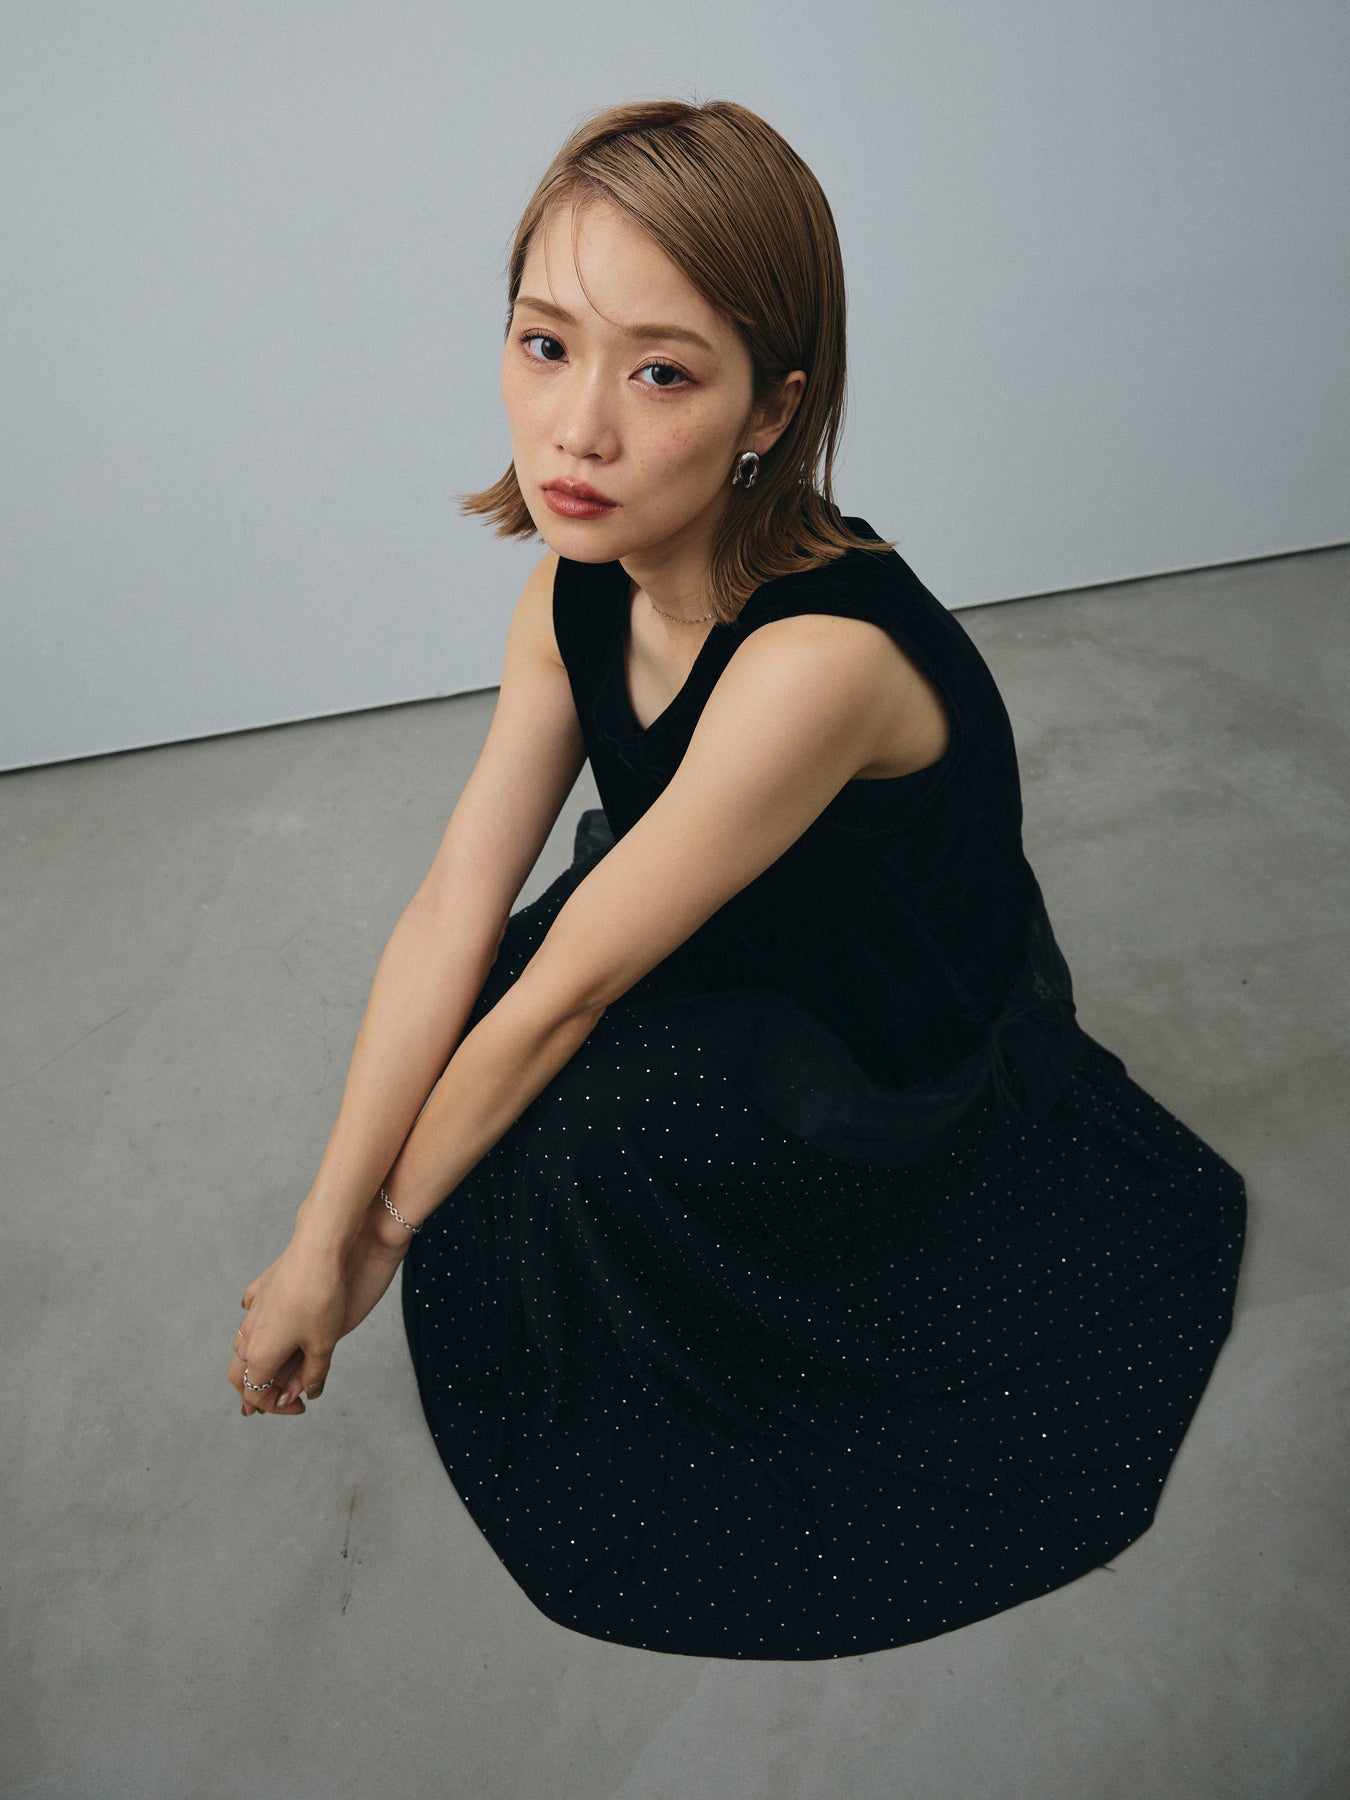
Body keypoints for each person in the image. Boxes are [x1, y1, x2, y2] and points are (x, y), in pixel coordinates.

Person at [229, 98, 1246, 1660]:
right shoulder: (572, 586)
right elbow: (453, 906)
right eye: (543, 345)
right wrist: (324, 1229)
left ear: (772, 406)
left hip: (886, 1030)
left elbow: (565, 996)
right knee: (485, 992)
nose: (576, 431)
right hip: (736, 914)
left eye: (661, 373)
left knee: (578, 1121)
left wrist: (366, 1248)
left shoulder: (812, 663)